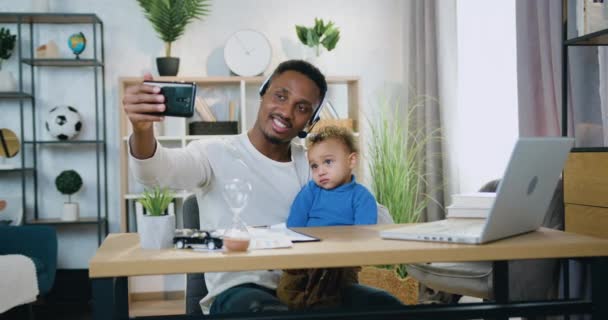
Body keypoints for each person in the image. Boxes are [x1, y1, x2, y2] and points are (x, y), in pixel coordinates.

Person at [123, 59, 400, 315]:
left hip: (318, 288)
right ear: (263, 93)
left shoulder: (315, 165)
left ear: (311, 122)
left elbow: (379, 221)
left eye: (302, 108)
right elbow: (155, 174)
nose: (286, 112)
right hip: (243, 291)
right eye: (280, 96)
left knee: (387, 307)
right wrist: (142, 130)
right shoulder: (214, 153)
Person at [277, 126, 399, 310]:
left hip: (341, 261)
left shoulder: (361, 196)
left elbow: (364, 233)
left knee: (330, 296)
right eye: (314, 166)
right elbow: (294, 225)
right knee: (287, 293)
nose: (321, 171)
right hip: (306, 257)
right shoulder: (310, 191)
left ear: (351, 160)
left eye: (328, 162)